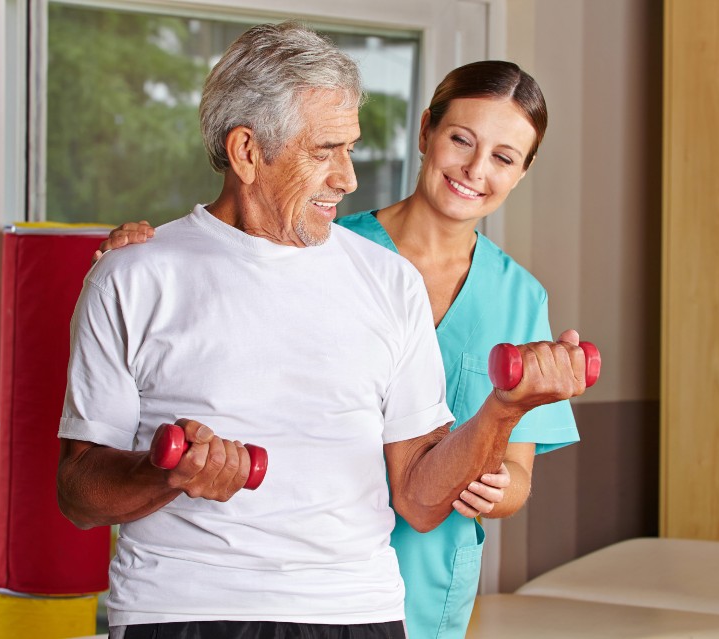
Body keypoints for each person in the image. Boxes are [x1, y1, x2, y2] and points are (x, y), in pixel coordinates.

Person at [68, 22, 588, 639]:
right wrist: (167, 475)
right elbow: (78, 494)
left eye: (350, 149)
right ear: (246, 151)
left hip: (357, 610)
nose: (348, 178)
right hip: (184, 607)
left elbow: (420, 502)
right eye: (325, 151)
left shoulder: (390, 282)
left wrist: (506, 409)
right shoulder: (133, 275)